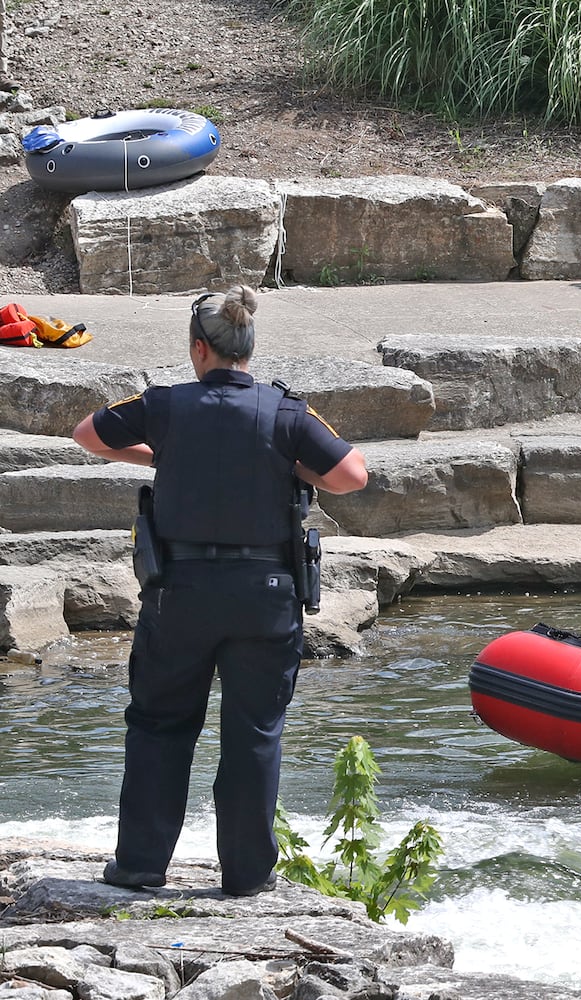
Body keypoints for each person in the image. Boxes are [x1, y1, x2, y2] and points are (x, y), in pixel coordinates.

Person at [72, 286, 368, 896]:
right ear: (249, 351)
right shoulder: (286, 411)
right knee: (254, 734)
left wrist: (162, 455)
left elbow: (88, 435)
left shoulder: (166, 404)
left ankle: (139, 869)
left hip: (178, 591)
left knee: (158, 726)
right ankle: (245, 878)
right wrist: (288, 466)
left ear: (198, 349)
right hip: (265, 593)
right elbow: (351, 476)